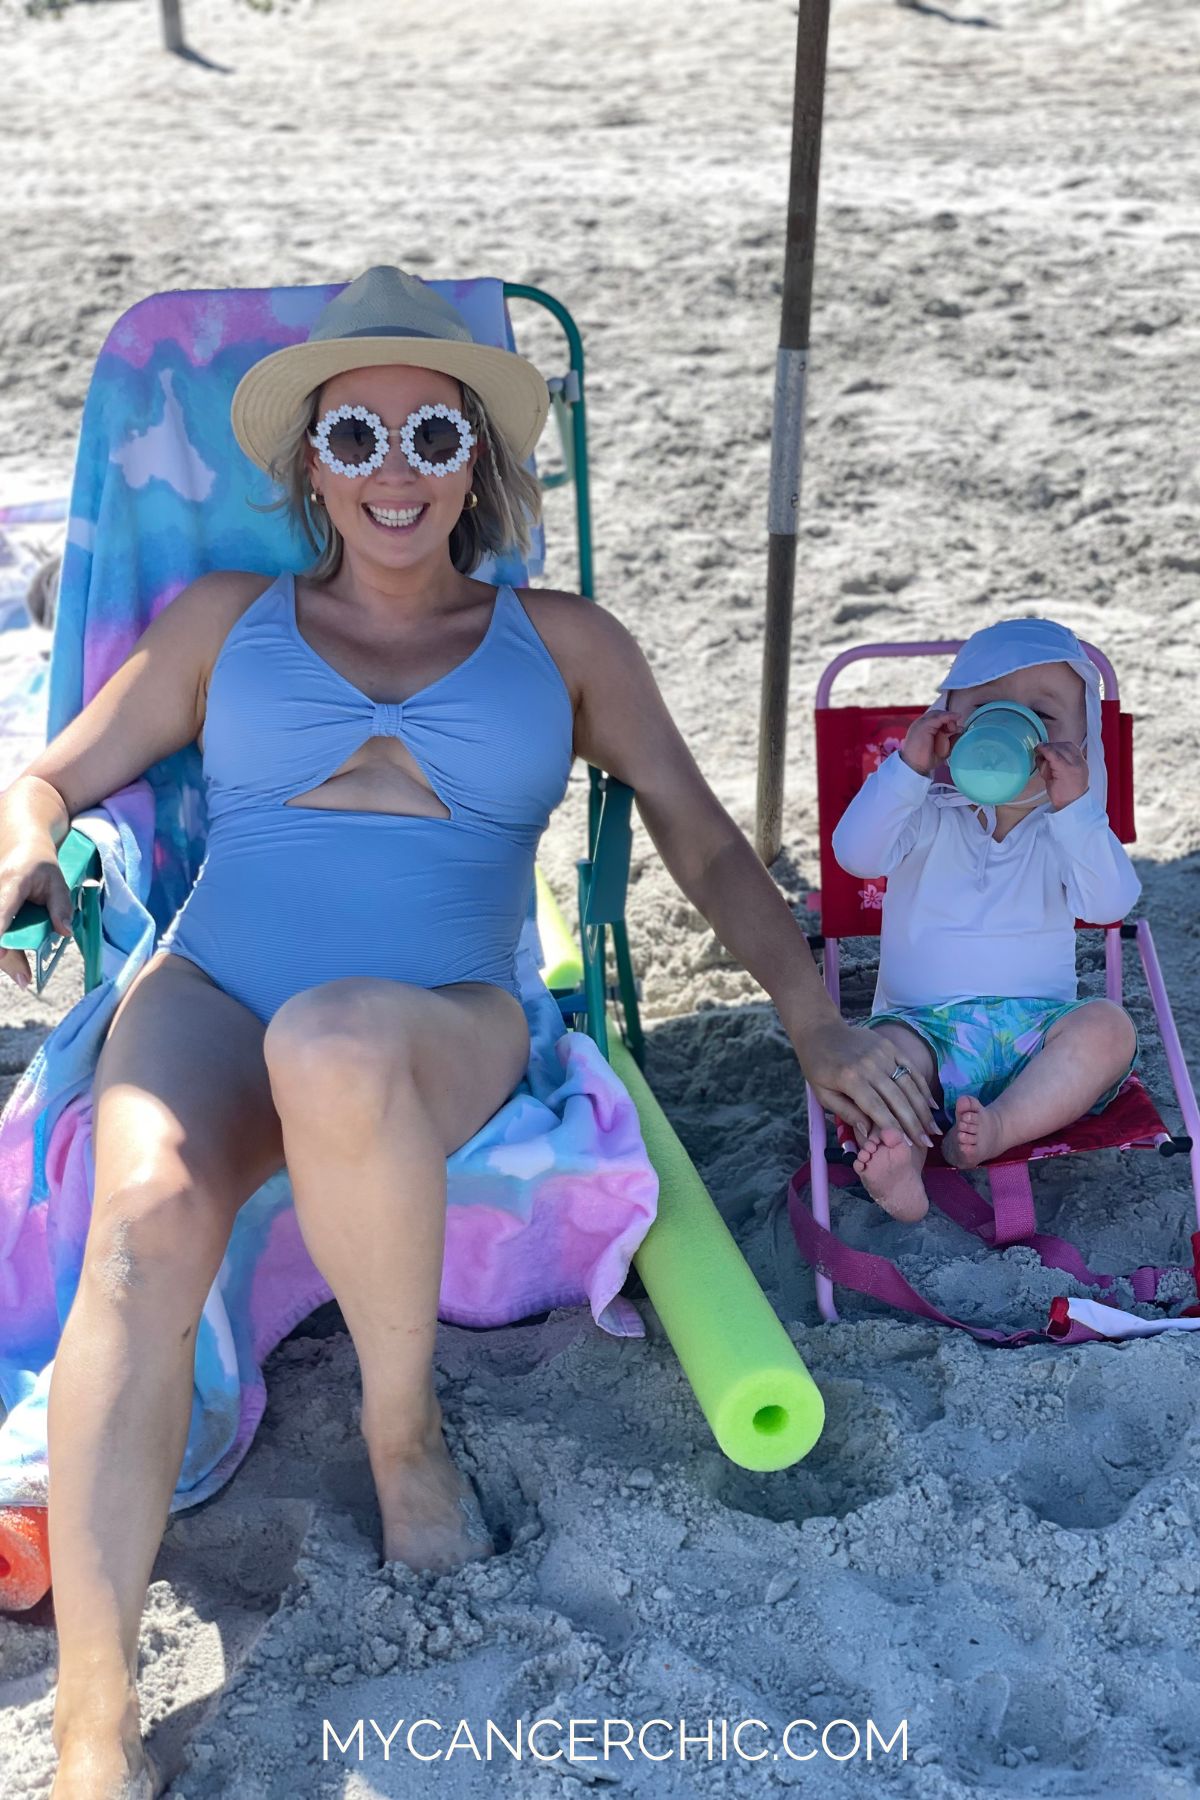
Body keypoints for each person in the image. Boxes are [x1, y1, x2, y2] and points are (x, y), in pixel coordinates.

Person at [0, 266, 936, 1800]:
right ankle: (93, 1721)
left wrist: (815, 1022)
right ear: (310, 459)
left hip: (440, 1015)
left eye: (430, 440)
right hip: (215, 988)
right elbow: (52, 776)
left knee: (341, 1045)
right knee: (146, 1218)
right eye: (354, 439)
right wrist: (25, 841)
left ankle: (402, 1432)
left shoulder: (562, 645)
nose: (391, 473)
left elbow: (705, 847)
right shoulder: (230, 621)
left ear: (476, 465)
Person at [832, 617, 1141, 1225]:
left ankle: (1002, 1126)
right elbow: (855, 854)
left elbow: (1109, 906)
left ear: (1083, 742)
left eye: (1044, 718)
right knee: (871, 1053)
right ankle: (902, 1173)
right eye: (986, 708)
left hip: (1037, 1037)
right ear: (950, 721)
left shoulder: (1067, 829)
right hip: (921, 1032)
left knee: (1108, 1028)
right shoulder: (923, 812)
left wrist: (1076, 811)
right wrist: (907, 771)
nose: (1013, 727)